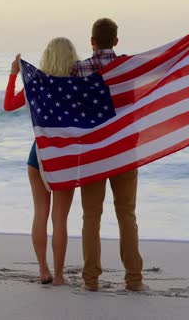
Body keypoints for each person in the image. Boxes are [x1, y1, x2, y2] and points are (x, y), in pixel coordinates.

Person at [70, 18, 145, 292]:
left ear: (91, 41)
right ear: (116, 41)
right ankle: (134, 280)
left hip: (92, 150)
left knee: (91, 216)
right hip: (124, 148)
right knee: (126, 213)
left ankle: (91, 280)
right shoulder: (128, 66)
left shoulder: (78, 69)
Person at [3, 38, 79, 286]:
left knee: (40, 214)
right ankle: (58, 276)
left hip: (38, 156)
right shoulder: (77, 86)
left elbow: (8, 105)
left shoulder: (35, 85)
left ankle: (43, 270)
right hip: (65, 157)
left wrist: (14, 74)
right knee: (60, 219)